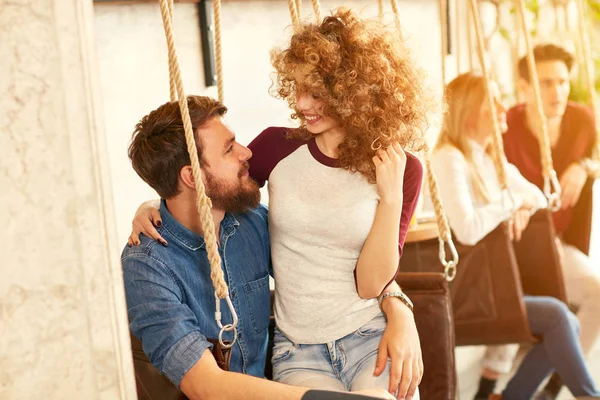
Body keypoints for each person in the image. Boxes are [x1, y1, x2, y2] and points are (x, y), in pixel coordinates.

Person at [129, 8, 428, 399]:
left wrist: (399, 307)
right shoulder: (276, 148)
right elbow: (208, 187)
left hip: (368, 335)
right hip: (298, 351)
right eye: (297, 87)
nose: (302, 103)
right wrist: (153, 201)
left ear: (355, 89)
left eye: (317, 91)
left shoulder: (401, 169)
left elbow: (362, 278)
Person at [123, 95, 399, 400]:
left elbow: (328, 262)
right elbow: (204, 385)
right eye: (229, 149)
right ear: (192, 178)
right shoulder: (146, 265)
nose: (247, 152)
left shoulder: (248, 223)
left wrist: (398, 308)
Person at [429, 71, 600, 400]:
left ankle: (512, 397)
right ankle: (584, 396)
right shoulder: (449, 158)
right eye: (491, 101)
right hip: (465, 293)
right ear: (468, 112)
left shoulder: (490, 161)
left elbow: (539, 197)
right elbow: (466, 229)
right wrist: (511, 203)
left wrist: (520, 206)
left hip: (494, 286)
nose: (503, 107)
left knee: (564, 320)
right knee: (559, 317)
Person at [503, 43, 600, 398]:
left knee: (597, 295)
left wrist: (583, 167)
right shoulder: (506, 125)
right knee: (529, 326)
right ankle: (509, 387)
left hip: (559, 245)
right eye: (546, 83)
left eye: (561, 82)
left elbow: (596, 154)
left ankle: (556, 383)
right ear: (524, 87)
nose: (557, 92)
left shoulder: (582, 119)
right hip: (518, 248)